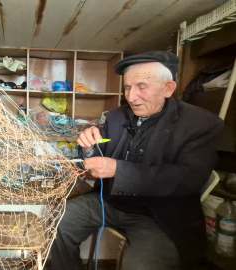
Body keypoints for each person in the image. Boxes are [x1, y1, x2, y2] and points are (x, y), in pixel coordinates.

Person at [50, 51, 224, 270]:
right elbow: (100, 159)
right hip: (111, 201)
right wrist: (89, 148)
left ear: (167, 88)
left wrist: (118, 170)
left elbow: (188, 179)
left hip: (159, 215)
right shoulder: (116, 116)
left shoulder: (202, 124)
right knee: (57, 219)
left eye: (141, 86)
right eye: (128, 87)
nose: (131, 97)